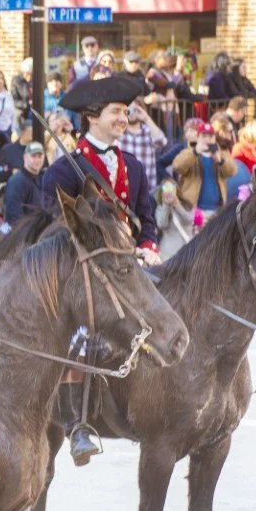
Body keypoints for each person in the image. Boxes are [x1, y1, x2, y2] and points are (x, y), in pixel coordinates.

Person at [41, 74, 160, 466]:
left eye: (126, 112)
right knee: (77, 337)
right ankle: (77, 425)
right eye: (116, 112)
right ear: (92, 116)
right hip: (83, 272)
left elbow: (148, 217)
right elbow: (52, 230)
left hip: (128, 267)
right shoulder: (63, 171)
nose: (124, 118)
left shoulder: (134, 167)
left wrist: (146, 245)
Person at [173, 121, 238, 218]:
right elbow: (177, 166)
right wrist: (195, 152)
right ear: (198, 137)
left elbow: (232, 171)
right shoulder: (188, 151)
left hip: (216, 210)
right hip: (194, 209)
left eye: (210, 136)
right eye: (204, 136)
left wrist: (220, 161)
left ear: (214, 138)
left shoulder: (221, 153)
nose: (207, 139)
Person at [117, 101, 167, 192]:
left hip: (147, 189)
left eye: (135, 109)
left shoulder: (148, 130)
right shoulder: (119, 132)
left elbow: (162, 141)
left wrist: (146, 118)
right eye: (128, 110)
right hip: (123, 189)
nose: (131, 113)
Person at [4, 142, 46, 225]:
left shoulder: (44, 177)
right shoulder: (17, 181)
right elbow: (13, 216)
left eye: (39, 156)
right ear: (25, 157)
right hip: (25, 232)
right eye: (33, 156)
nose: (37, 160)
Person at [155, 178, 194, 260]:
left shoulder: (186, 205)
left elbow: (189, 219)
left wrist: (177, 205)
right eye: (166, 189)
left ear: (176, 190)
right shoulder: (160, 208)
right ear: (161, 193)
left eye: (171, 188)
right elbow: (161, 224)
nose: (169, 192)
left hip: (188, 249)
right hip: (169, 253)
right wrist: (166, 206)